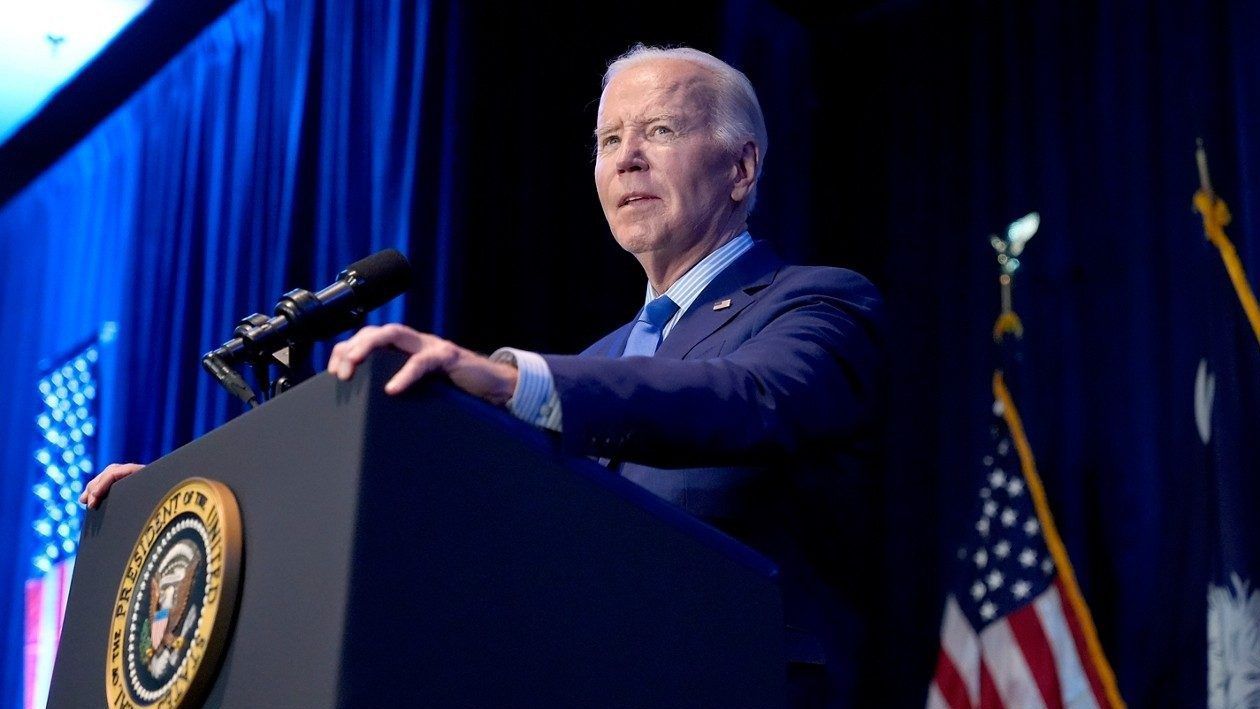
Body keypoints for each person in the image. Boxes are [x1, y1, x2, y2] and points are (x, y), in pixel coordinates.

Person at [84, 44, 885, 706]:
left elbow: (752, 398)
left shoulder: (816, 304)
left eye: (659, 130)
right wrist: (192, 500)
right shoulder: (602, 357)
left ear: (741, 168)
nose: (625, 160)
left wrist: (510, 380)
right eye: (608, 142)